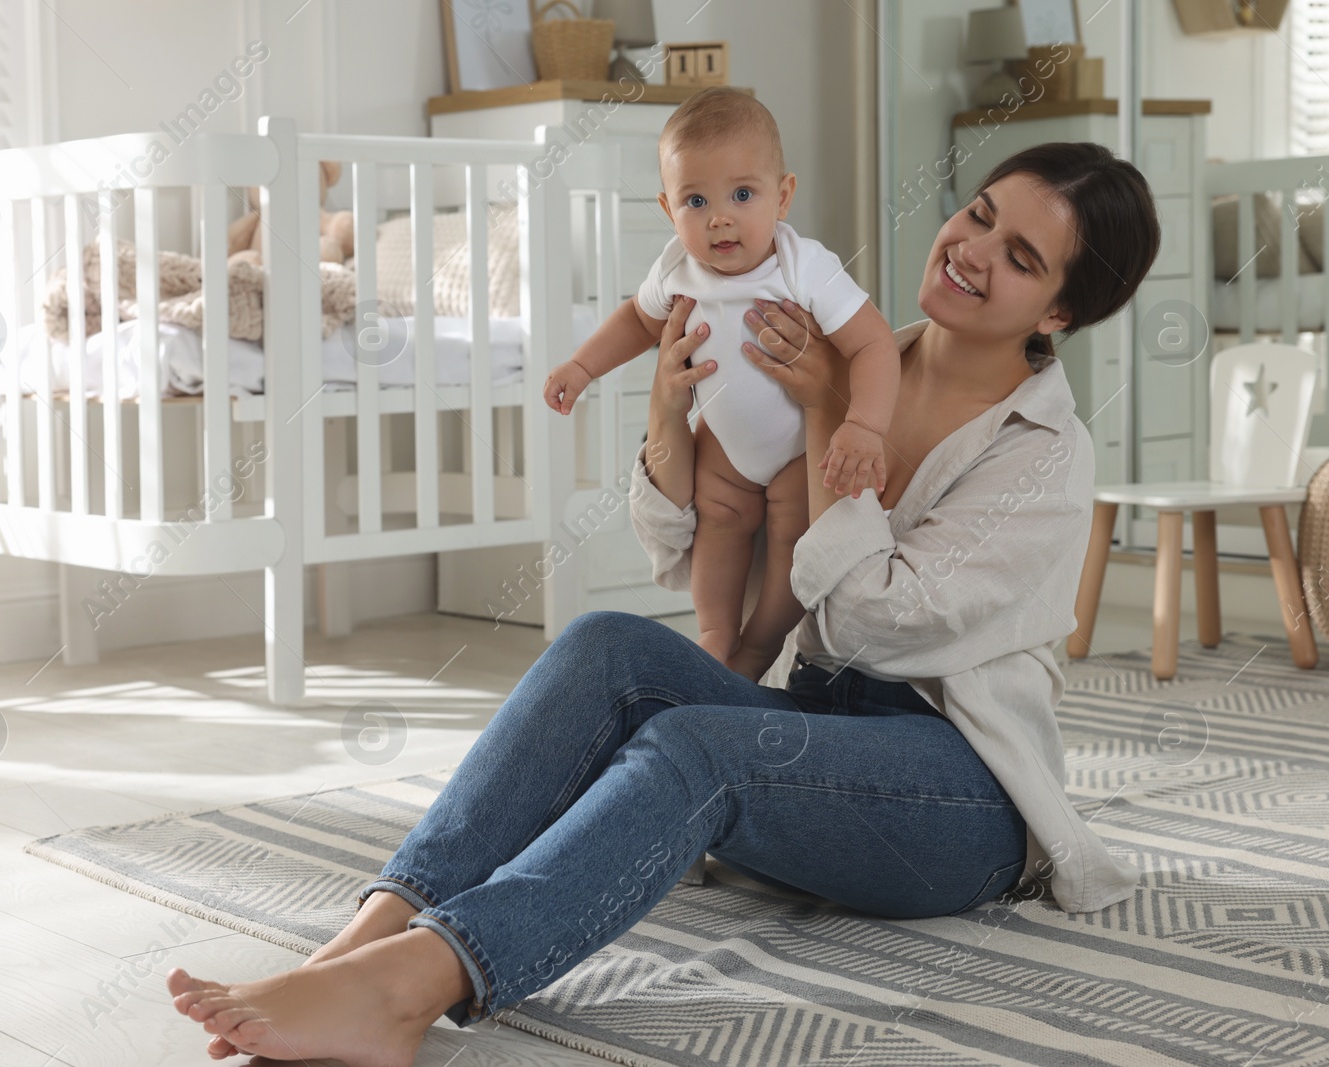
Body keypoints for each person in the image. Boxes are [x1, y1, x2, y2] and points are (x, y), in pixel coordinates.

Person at [166, 141, 1161, 1066]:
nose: (972, 248)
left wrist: (821, 414)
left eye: (1020, 254)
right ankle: (358, 941)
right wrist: (664, 410)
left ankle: (409, 987)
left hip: (958, 793)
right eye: (979, 214)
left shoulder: (1040, 453)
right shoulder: (854, 352)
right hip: (818, 718)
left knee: (697, 746)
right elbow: (675, 553)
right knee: (606, 643)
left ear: (1058, 314)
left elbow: (867, 623)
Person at [542, 87, 899, 683]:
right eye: (696, 200)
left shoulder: (802, 265)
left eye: (742, 194)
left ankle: (760, 646)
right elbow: (637, 320)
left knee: (793, 538)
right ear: (667, 210)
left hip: (794, 450)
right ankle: (713, 631)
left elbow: (874, 343)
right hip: (725, 449)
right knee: (719, 522)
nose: (720, 217)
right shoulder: (676, 269)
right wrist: (582, 367)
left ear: (782, 196)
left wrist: (864, 426)